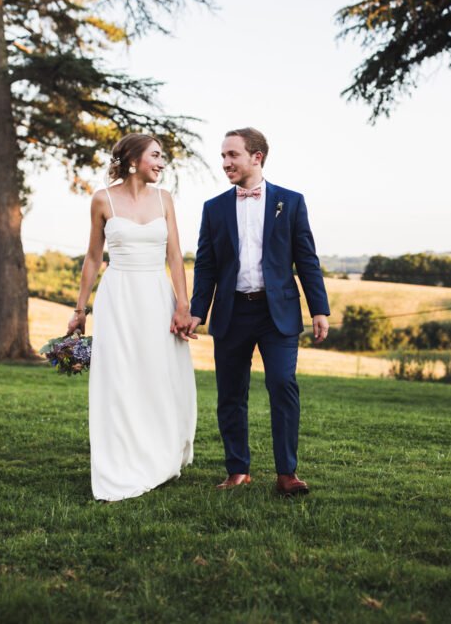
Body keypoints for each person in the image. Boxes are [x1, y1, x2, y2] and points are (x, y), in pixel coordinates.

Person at [187, 127, 330, 496]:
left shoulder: (291, 201)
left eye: (232, 155)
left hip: (276, 313)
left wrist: (319, 309)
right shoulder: (214, 208)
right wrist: (197, 312)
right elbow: (205, 266)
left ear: (257, 157)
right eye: (222, 156)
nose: (225, 163)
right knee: (230, 393)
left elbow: (307, 260)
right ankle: (238, 470)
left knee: (283, 385)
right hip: (232, 313)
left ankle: (287, 473)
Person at [68, 133, 197, 502]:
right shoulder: (102, 199)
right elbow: (93, 257)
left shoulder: (165, 199)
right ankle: (122, 457)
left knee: (158, 373)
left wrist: (183, 306)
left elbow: (175, 256)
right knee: (121, 375)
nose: (161, 162)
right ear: (133, 159)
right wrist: (81, 310)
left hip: (157, 294)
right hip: (118, 296)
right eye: (155, 155)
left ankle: (160, 450)